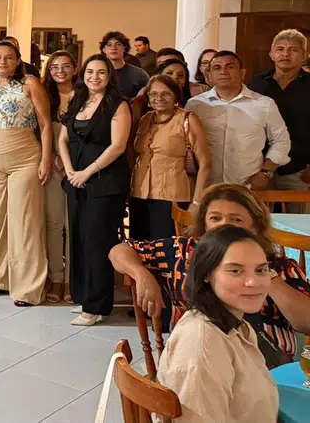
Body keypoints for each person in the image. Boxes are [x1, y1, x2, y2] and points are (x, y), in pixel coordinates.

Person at [111, 183, 310, 364]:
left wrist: (264, 274)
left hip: (265, 363)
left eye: (236, 219)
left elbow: (307, 323)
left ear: (255, 227)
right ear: (205, 225)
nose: (224, 225)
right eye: (215, 218)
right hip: (195, 356)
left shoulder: (278, 266)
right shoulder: (183, 252)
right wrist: (141, 274)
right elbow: (118, 251)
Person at [156, 225, 278, 423]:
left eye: (261, 270)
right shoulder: (203, 344)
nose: (253, 282)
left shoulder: (233, 321)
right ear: (206, 274)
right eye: (235, 271)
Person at [58, 55, 132, 327]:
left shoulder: (118, 104)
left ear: (109, 76)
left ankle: (96, 306)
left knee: (97, 242)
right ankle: (84, 296)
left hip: (105, 182)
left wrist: (87, 172)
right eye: (90, 72)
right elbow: (62, 139)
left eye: (101, 72)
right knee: (78, 239)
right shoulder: (77, 100)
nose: (95, 77)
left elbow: (118, 146)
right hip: (76, 181)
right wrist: (70, 172)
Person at [0, 40, 52, 307]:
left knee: (24, 221)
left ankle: (28, 286)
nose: (3, 62)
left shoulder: (30, 84)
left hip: (25, 158)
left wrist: (46, 158)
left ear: (18, 60)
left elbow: (45, 124)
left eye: (8, 57)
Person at [186, 50, 290, 187]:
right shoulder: (195, 104)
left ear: (242, 73)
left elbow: (281, 141)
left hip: (248, 186)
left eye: (230, 66)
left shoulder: (264, 104)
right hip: (205, 186)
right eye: (217, 68)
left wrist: (266, 172)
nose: (223, 72)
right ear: (209, 75)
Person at [131, 74, 210, 240]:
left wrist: (196, 203)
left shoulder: (188, 119)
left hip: (173, 198)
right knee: (139, 248)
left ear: (175, 96)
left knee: (167, 250)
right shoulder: (145, 119)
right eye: (153, 94)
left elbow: (205, 164)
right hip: (139, 195)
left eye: (165, 94)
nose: (159, 98)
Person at [248, 29, 310, 193]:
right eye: (280, 49)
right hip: (258, 167)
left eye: (293, 49)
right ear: (271, 54)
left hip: (299, 169)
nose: (285, 54)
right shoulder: (257, 84)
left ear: (304, 56)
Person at [41, 50, 77, 303]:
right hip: (51, 165)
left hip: (78, 168)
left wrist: (68, 163)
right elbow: (38, 130)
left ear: (75, 69)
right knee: (54, 224)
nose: (60, 71)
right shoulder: (45, 96)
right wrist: (53, 156)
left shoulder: (85, 95)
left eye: (65, 66)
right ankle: (56, 277)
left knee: (73, 224)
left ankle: (71, 279)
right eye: (54, 67)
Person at [99, 31, 149, 98]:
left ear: (125, 48)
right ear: (104, 49)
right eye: (109, 45)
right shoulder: (97, 74)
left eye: (118, 44)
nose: (113, 48)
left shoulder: (139, 74)